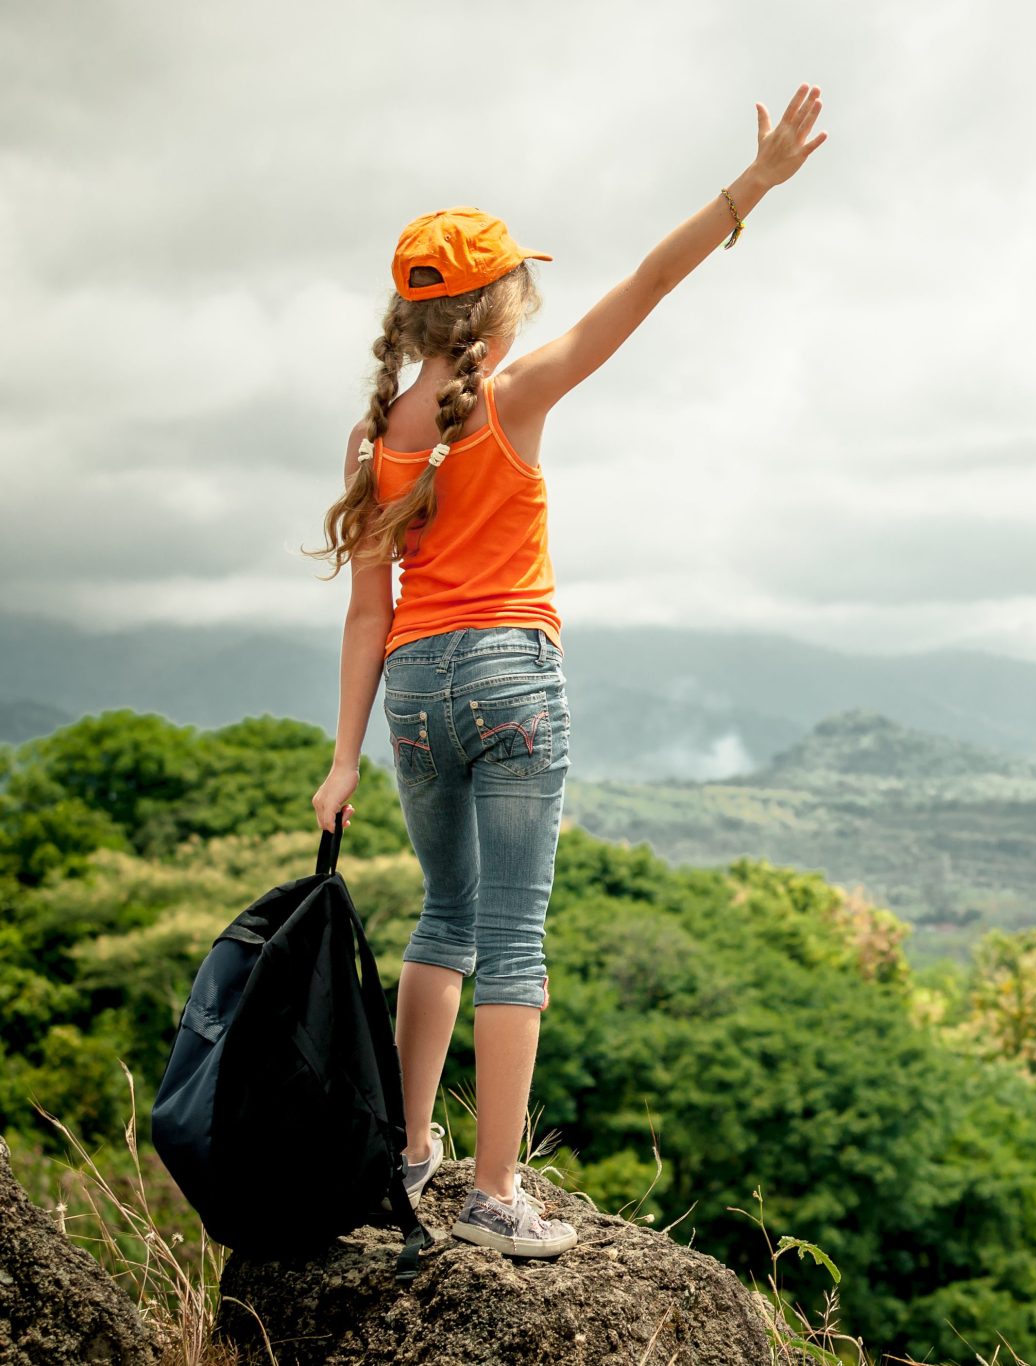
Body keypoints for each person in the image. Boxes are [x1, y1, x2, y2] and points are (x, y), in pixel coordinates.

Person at [303, 85, 827, 1259]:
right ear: (496, 306)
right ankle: (496, 1192)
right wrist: (753, 187)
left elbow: (363, 613)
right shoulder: (515, 395)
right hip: (510, 676)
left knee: (443, 916)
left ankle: (407, 1149)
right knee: (516, 933)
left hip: (415, 693)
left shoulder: (372, 439)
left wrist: (343, 758)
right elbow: (647, 285)